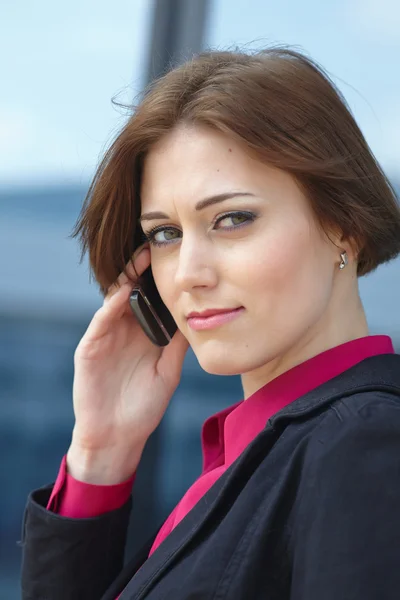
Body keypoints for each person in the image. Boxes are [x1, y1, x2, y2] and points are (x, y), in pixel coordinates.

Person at [21, 45, 400, 600]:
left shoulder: (362, 444)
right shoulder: (259, 455)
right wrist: (101, 452)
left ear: (343, 224)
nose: (189, 274)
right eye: (166, 234)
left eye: (233, 219)